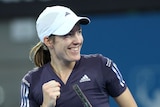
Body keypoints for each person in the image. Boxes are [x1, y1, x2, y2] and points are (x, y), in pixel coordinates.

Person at [20, 5, 137, 107]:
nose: (77, 40)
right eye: (68, 35)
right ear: (48, 41)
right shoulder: (31, 82)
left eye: (79, 32)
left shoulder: (102, 65)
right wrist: (46, 105)